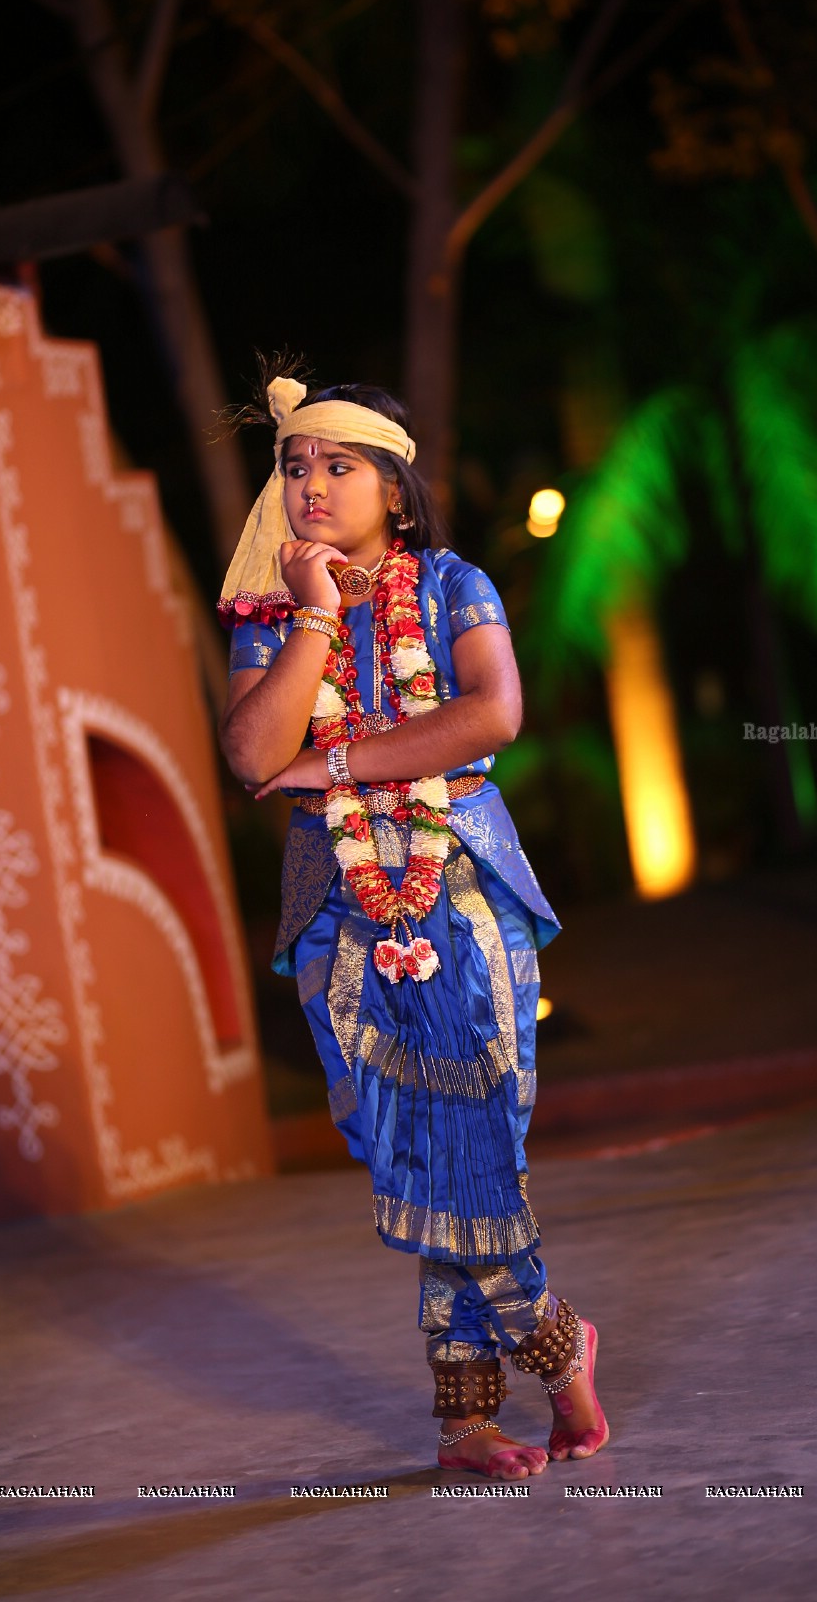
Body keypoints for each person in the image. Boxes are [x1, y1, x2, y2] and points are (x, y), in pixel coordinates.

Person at [218, 366, 609, 1480]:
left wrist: (332, 761)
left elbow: (491, 713)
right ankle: (536, 1357)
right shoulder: (270, 616)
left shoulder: (454, 584)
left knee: (473, 1141)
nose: (309, 486)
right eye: (294, 466)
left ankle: (487, 1403)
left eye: (338, 466)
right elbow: (252, 759)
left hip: (463, 885)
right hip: (337, 906)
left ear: (395, 484)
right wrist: (315, 619)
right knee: (410, 1150)